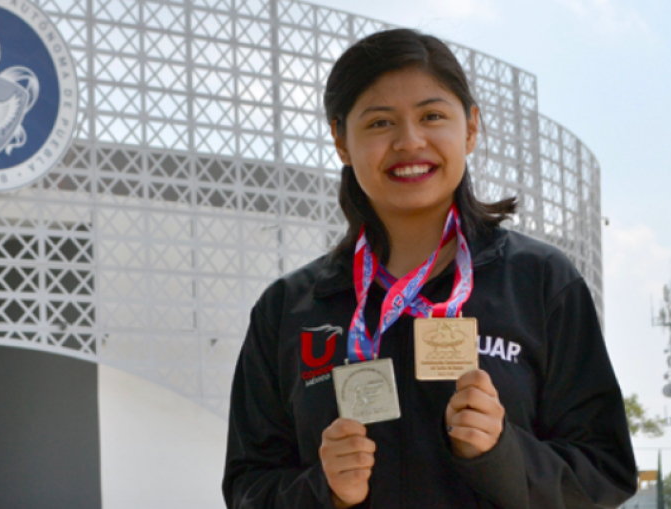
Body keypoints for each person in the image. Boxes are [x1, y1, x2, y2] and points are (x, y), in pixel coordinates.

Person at [222, 28, 637, 509]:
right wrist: (325, 491)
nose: (409, 141)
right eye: (380, 123)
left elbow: (605, 474)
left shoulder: (541, 281)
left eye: (432, 115)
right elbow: (247, 487)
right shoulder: (288, 309)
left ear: (471, 128)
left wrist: (500, 454)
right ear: (340, 140)